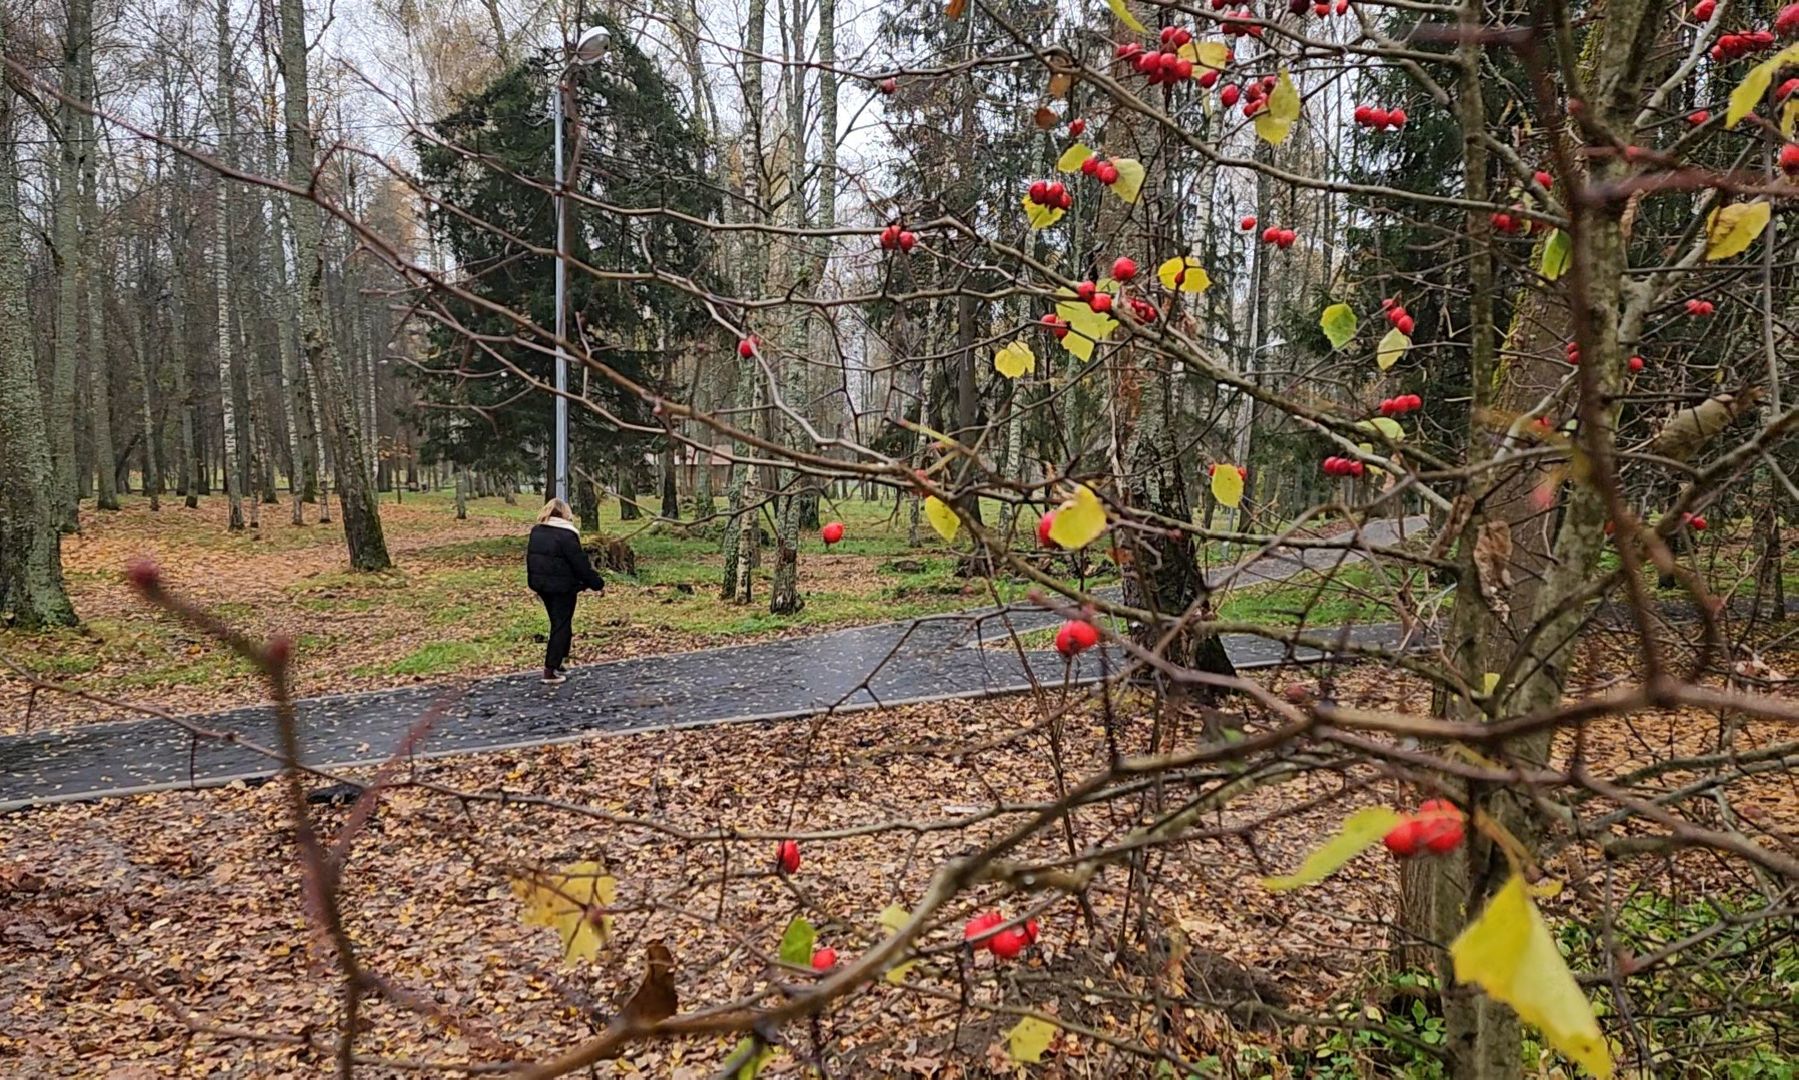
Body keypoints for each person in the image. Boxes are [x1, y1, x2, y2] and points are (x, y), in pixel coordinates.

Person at [526, 499, 606, 684]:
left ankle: (560, 658)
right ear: (565, 513)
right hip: (562, 586)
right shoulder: (567, 534)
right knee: (561, 625)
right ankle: (550, 669)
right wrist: (597, 583)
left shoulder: (537, 531)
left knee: (558, 622)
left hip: (541, 584)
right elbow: (579, 563)